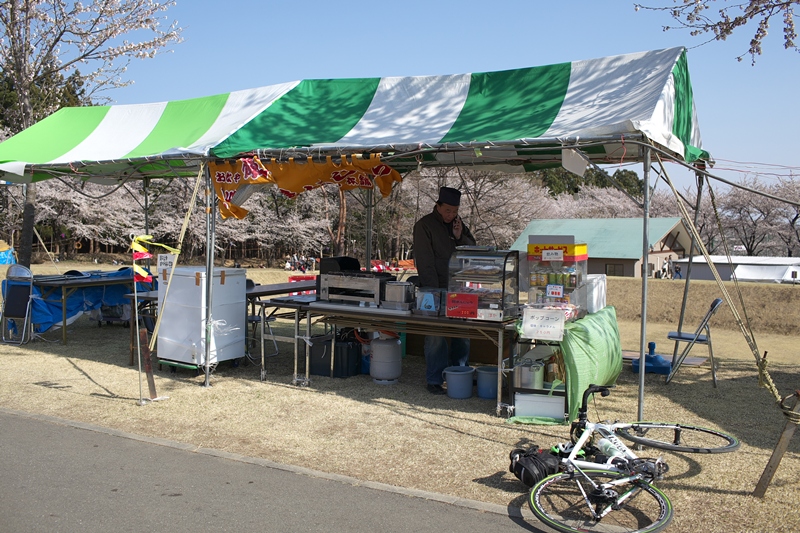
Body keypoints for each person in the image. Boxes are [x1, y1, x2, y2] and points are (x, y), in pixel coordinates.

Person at [412, 186, 476, 394]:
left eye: (454, 211)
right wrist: (433, 293)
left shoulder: (458, 225)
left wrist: (459, 237)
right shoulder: (424, 226)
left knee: (462, 332)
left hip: (459, 288)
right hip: (434, 289)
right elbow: (425, 262)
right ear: (438, 206)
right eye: (447, 210)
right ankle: (434, 379)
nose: (451, 215)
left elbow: (473, 248)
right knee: (435, 335)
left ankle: (460, 372)